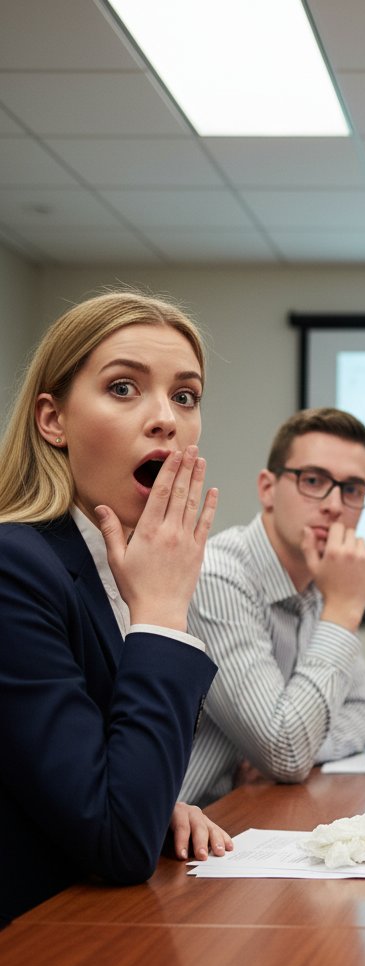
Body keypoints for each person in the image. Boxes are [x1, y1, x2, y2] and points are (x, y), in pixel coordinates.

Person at [0, 290, 232, 925]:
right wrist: (161, 614)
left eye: (185, 396)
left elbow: (100, 792)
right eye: (124, 388)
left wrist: (152, 802)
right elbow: (116, 843)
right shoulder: (14, 565)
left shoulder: (109, 567)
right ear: (53, 420)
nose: (166, 419)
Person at [178, 407, 365, 806]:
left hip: (251, 817)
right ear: (268, 488)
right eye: (313, 480)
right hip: (173, 842)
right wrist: (343, 610)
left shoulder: (321, 582)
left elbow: (363, 713)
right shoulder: (218, 575)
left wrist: (301, 746)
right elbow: (286, 750)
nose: (335, 505)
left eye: (353, 489)